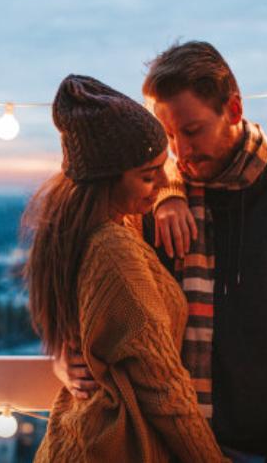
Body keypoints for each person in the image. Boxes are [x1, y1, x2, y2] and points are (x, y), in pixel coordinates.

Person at [53, 42, 267, 463]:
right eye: (168, 135)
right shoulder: (153, 200)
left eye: (191, 131)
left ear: (233, 109)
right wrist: (66, 356)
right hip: (171, 448)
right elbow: (101, 297)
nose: (180, 152)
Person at [25, 74, 228, 462]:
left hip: (81, 438)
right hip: (113, 446)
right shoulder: (114, 250)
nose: (160, 183)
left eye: (161, 171)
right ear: (107, 181)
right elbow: (165, 390)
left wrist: (169, 195)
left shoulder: (81, 227)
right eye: (149, 176)